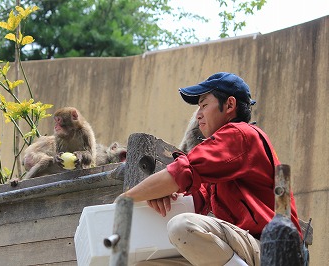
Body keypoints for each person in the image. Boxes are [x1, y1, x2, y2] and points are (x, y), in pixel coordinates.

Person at [118, 72, 302, 266]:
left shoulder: (241, 135)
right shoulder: (220, 161)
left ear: (230, 105)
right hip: (243, 251)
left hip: (272, 251)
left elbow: (182, 173)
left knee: (183, 226)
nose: (198, 115)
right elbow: (194, 198)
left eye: (204, 105)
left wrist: (125, 200)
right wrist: (163, 193)